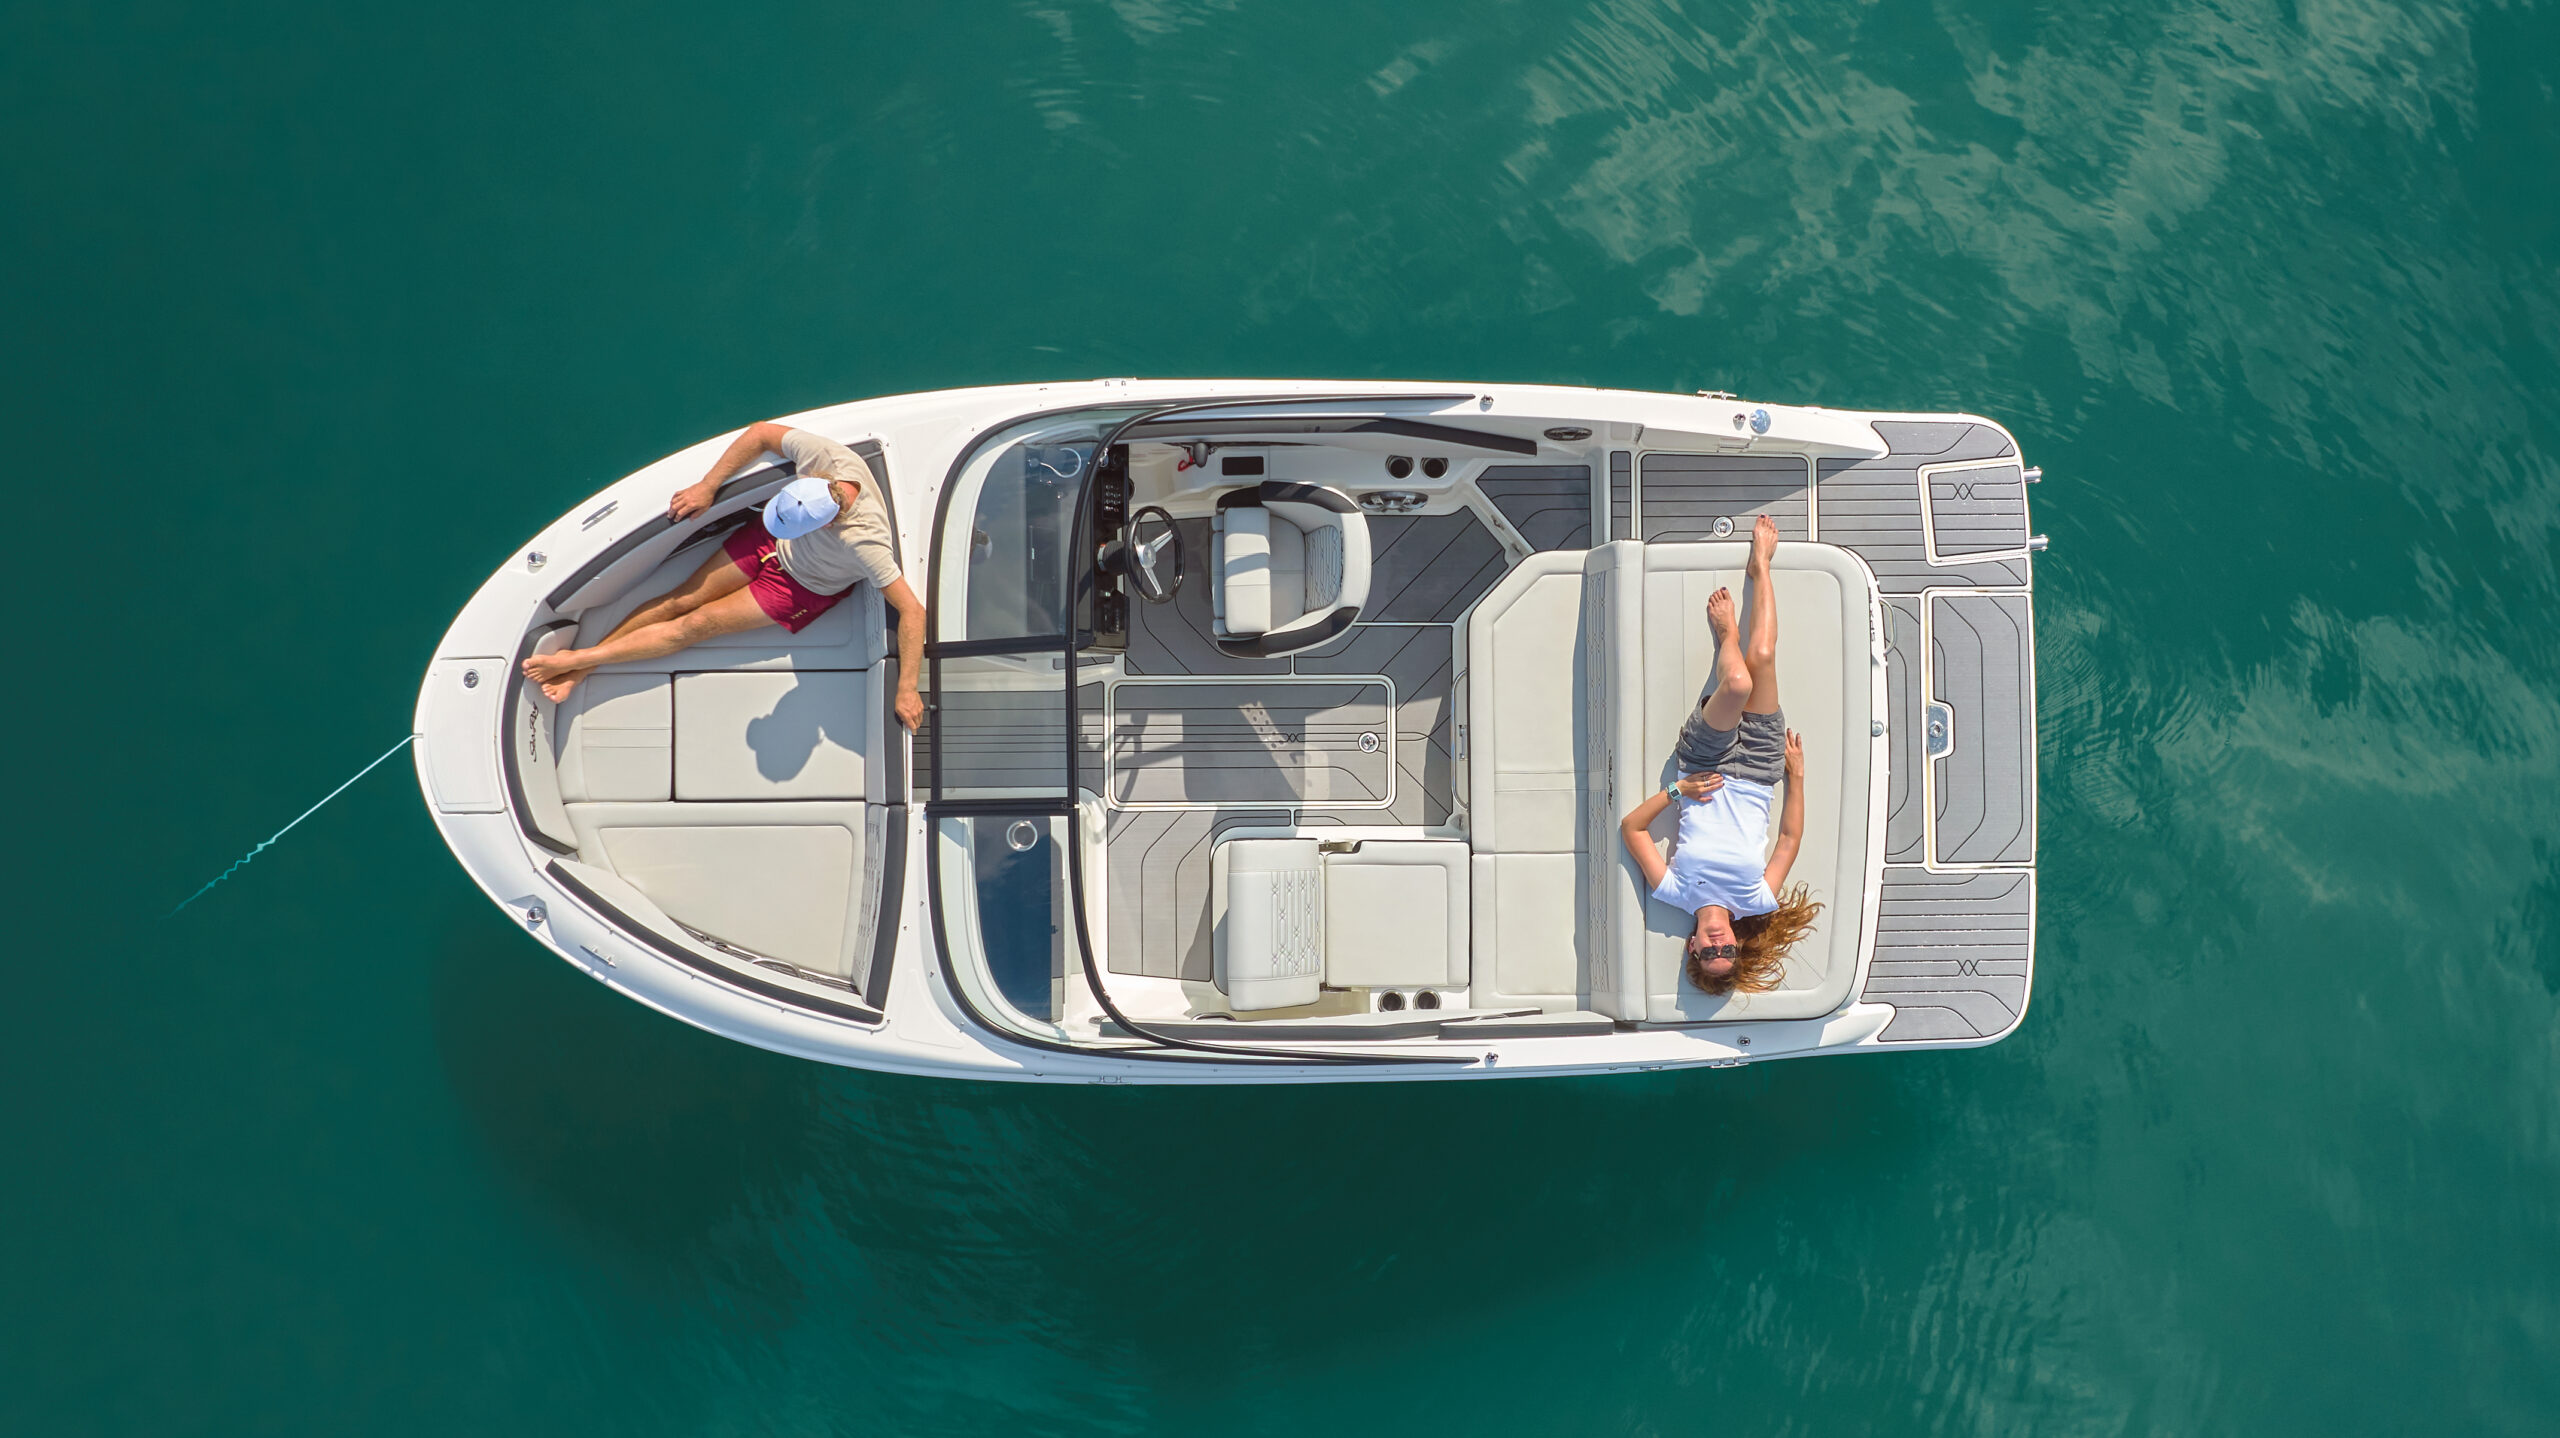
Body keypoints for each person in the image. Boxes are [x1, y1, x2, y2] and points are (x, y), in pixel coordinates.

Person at [522, 422, 926, 730]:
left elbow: (913, 612)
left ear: (826, 524)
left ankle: (581, 660)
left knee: (694, 625)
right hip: (768, 542)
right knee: (680, 598)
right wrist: (708, 486)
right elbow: (761, 434)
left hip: (802, 585)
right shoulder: (826, 460)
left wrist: (907, 688)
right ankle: (580, 669)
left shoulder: (865, 543)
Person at [1617, 514, 1823, 995]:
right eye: (1726, 952)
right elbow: (1788, 839)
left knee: (1737, 682)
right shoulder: (1757, 899)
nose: (1717, 947)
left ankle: (1726, 635)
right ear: (1735, 944)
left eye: (1708, 954)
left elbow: (1632, 828)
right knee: (1765, 657)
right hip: (1758, 770)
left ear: (1691, 947)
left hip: (1702, 764)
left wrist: (1678, 790)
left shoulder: (1673, 894)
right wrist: (1796, 777)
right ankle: (1761, 568)